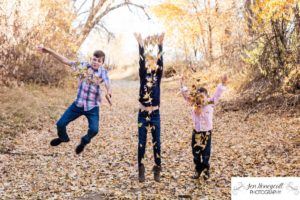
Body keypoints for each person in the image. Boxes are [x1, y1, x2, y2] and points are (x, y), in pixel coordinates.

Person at [37, 46, 111, 154]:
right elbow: (65, 60)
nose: (96, 62)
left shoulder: (103, 72)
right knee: (60, 124)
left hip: (92, 107)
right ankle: (63, 138)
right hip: (78, 105)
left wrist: (109, 92)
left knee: (94, 130)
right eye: (94, 59)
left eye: (99, 61)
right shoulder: (82, 66)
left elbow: (108, 84)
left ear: (102, 63)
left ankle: (84, 141)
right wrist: (49, 51)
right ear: (91, 59)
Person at [180, 75, 228, 179]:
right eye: (199, 96)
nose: (201, 99)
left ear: (207, 96)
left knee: (206, 152)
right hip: (197, 131)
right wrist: (182, 84)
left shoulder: (210, 103)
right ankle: (198, 169)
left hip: (207, 132)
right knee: (196, 152)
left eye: (203, 96)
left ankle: (206, 169)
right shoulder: (194, 104)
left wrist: (222, 84)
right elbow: (186, 96)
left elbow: (217, 95)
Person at [134, 33, 164, 182]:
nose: (150, 64)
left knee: (157, 142)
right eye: (148, 61)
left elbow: (161, 62)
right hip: (142, 114)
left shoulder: (158, 76)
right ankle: (141, 167)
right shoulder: (143, 74)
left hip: (155, 114)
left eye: (153, 61)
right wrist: (141, 45)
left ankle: (157, 167)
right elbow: (141, 62)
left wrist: (160, 45)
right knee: (142, 142)